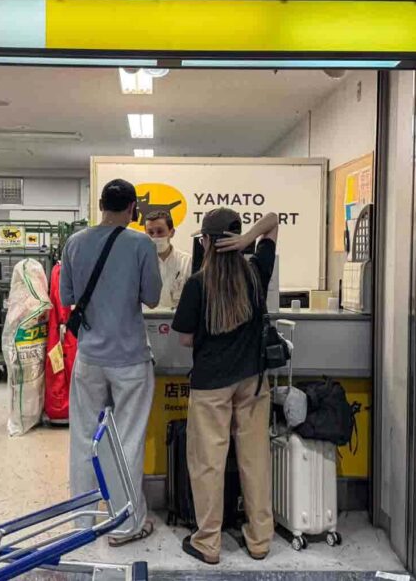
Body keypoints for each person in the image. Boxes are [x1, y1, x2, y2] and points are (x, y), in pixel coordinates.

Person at [172, 208, 280, 565]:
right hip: (252, 380)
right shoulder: (256, 275)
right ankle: (260, 540)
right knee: (255, 459)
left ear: (205, 242)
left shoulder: (197, 285)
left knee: (208, 464)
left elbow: (185, 339)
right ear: (235, 242)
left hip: (211, 386)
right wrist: (249, 240)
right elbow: (273, 219)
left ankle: (208, 542)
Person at [59, 178, 162, 546]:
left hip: (89, 357)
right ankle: (125, 525)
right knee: (127, 441)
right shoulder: (141, 244)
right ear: (133, 208)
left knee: (83, 438)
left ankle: (81, 525)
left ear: (100, 204)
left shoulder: (75, 243)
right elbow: (152, 297)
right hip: (131, 359)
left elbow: (67, 296)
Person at [143, 209, 193, 309]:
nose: (155, 236)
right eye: (150, 232)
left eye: (160, 231)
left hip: (178, 321)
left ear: (172, 232)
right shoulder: (139, 263)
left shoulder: (187, 262)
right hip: (147, 321)